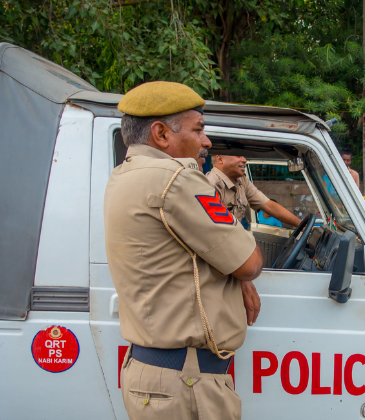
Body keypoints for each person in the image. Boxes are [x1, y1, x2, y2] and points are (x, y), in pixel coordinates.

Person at [103, 81, 264, 420]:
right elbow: (248, 263)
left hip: (155, 376)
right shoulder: (176, 178)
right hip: (187, 385)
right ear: (161, 134)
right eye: (199, 129)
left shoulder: (123, 175)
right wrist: (242, 271)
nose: (206, 141)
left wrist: (237, 273)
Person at [206, 154, 302, 227]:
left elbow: (270, 206)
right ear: (220, 159)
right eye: (238, 155)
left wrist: (302, 225)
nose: (244, 160)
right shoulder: (210, 185)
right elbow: (215, 230)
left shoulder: (241, 181)